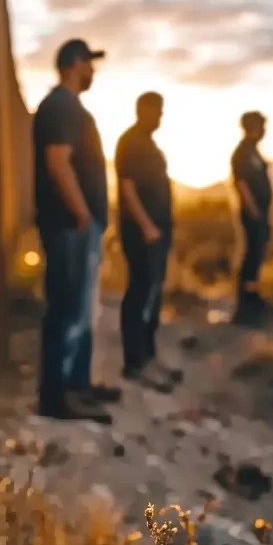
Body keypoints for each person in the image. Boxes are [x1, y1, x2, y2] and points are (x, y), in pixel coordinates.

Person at [32, 39, 121, 423]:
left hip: (78, 227)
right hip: (70, 227)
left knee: (82, 312)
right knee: (68, 311)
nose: (93, 71)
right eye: (89, 63)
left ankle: (77, 387)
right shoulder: (61, 106)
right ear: (73, 64)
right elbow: (58, 162)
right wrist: (83, 214)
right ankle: (56, 397)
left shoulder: (68, 107)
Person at [114, 92, 180, 390]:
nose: (162, 117)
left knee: (152, 296)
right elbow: (127, 189)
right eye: (158, 111)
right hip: (141, 234)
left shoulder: (149, 144)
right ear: (144, 110)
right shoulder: (132, 143)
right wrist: (147, 226)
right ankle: (134, 363)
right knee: (139, 294)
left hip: (156, 232)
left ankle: (149, 357)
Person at [230, 111, 272, 326]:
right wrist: (253, 208)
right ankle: (245, 305)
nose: (265, 130)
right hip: (252, 213)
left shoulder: (253, 151)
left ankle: (254, 296)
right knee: (251, 256)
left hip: (261, 212)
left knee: (257, 255)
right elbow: (241, 183)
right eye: (262, 126)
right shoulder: (243, 152)